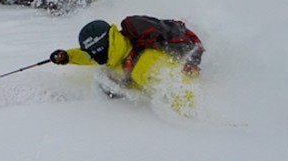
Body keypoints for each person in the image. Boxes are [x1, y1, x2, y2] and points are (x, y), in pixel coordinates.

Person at [49, 17, 204, 114]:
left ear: (102, 49)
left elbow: (180, 88)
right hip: (138, 78)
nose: (92, 58)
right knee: (105, 76)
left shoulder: (143, 64)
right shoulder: (114, 53)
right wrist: (67, 56)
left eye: (94, 54)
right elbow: (87, 56)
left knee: (128, 75)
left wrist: (188, 113)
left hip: (180, 74)